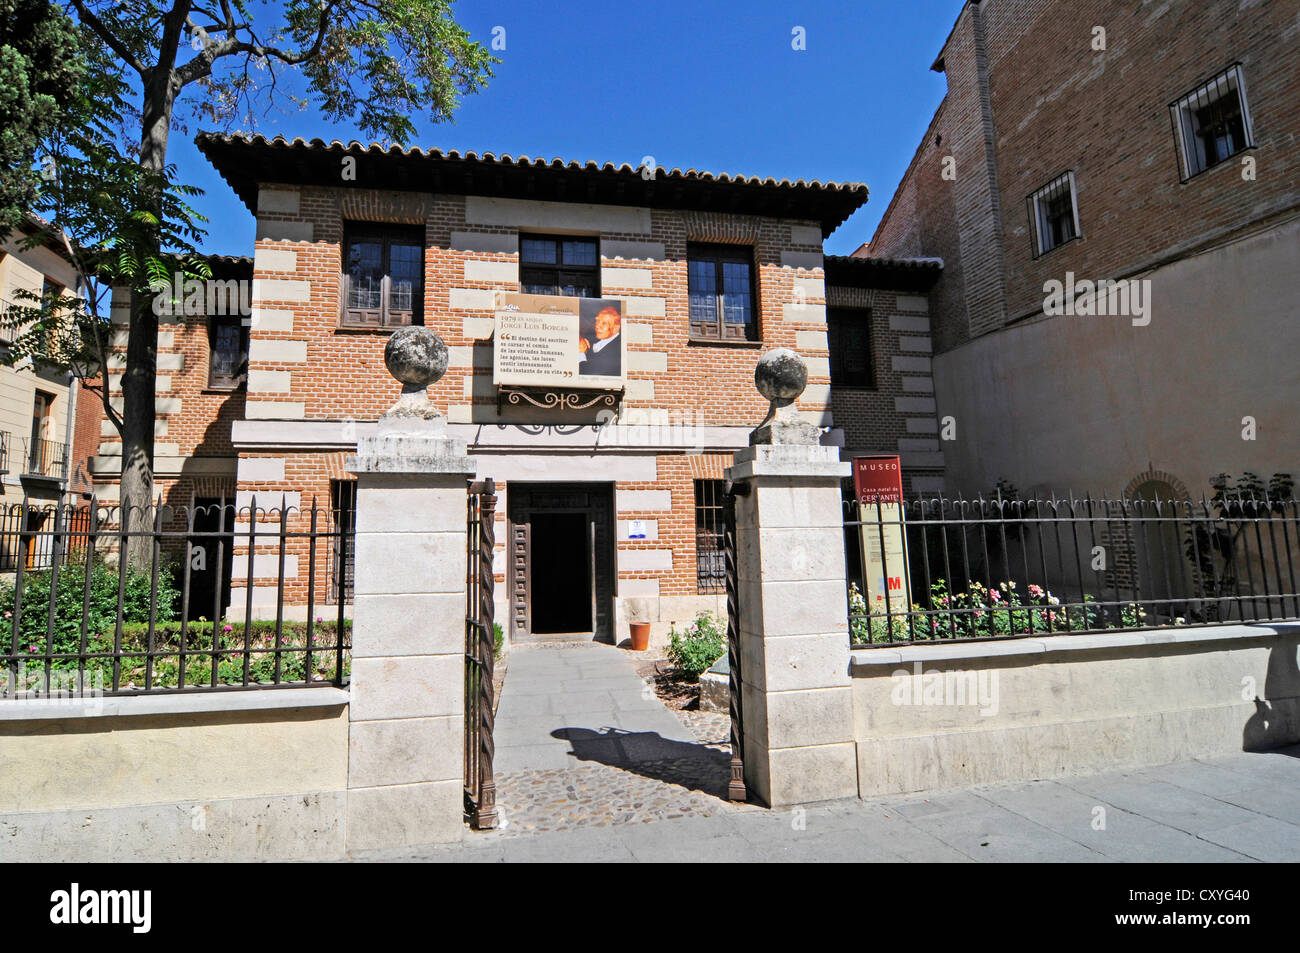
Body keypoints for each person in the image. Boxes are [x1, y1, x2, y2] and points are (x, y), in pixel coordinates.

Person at [578, 306, 621, 376]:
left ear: (616, 328)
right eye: (597, 321)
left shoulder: (616, 352)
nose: (597, 326)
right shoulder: (594, 338)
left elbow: (587, 374)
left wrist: (581, 353)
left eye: (604, 323)